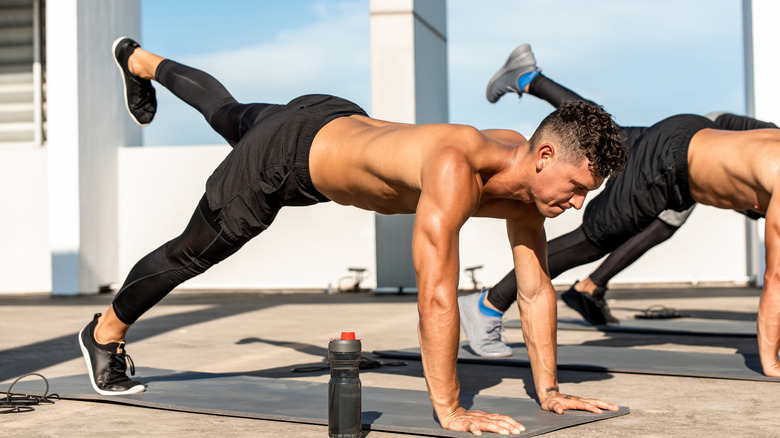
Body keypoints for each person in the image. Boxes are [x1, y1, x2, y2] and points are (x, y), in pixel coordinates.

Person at [78, 37, 627, 435]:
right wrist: (451, 407)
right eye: (578, 187)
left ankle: (138, 60)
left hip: (328, 116)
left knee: (227, 113)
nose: (579, 204)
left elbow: (534, 289)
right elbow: (436, 296)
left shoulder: (520, 163)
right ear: (546, 155)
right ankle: (104, 334)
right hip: (286, 162)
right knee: (192, 252)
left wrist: (550, 391)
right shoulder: (456, 169)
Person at [460, 44, 780, 380]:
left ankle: (529, 78)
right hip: (668, 167)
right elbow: (774, 279)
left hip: (693, 130)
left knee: (610, 139)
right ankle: (487, 305)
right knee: (594, 239)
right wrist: (770, 361)